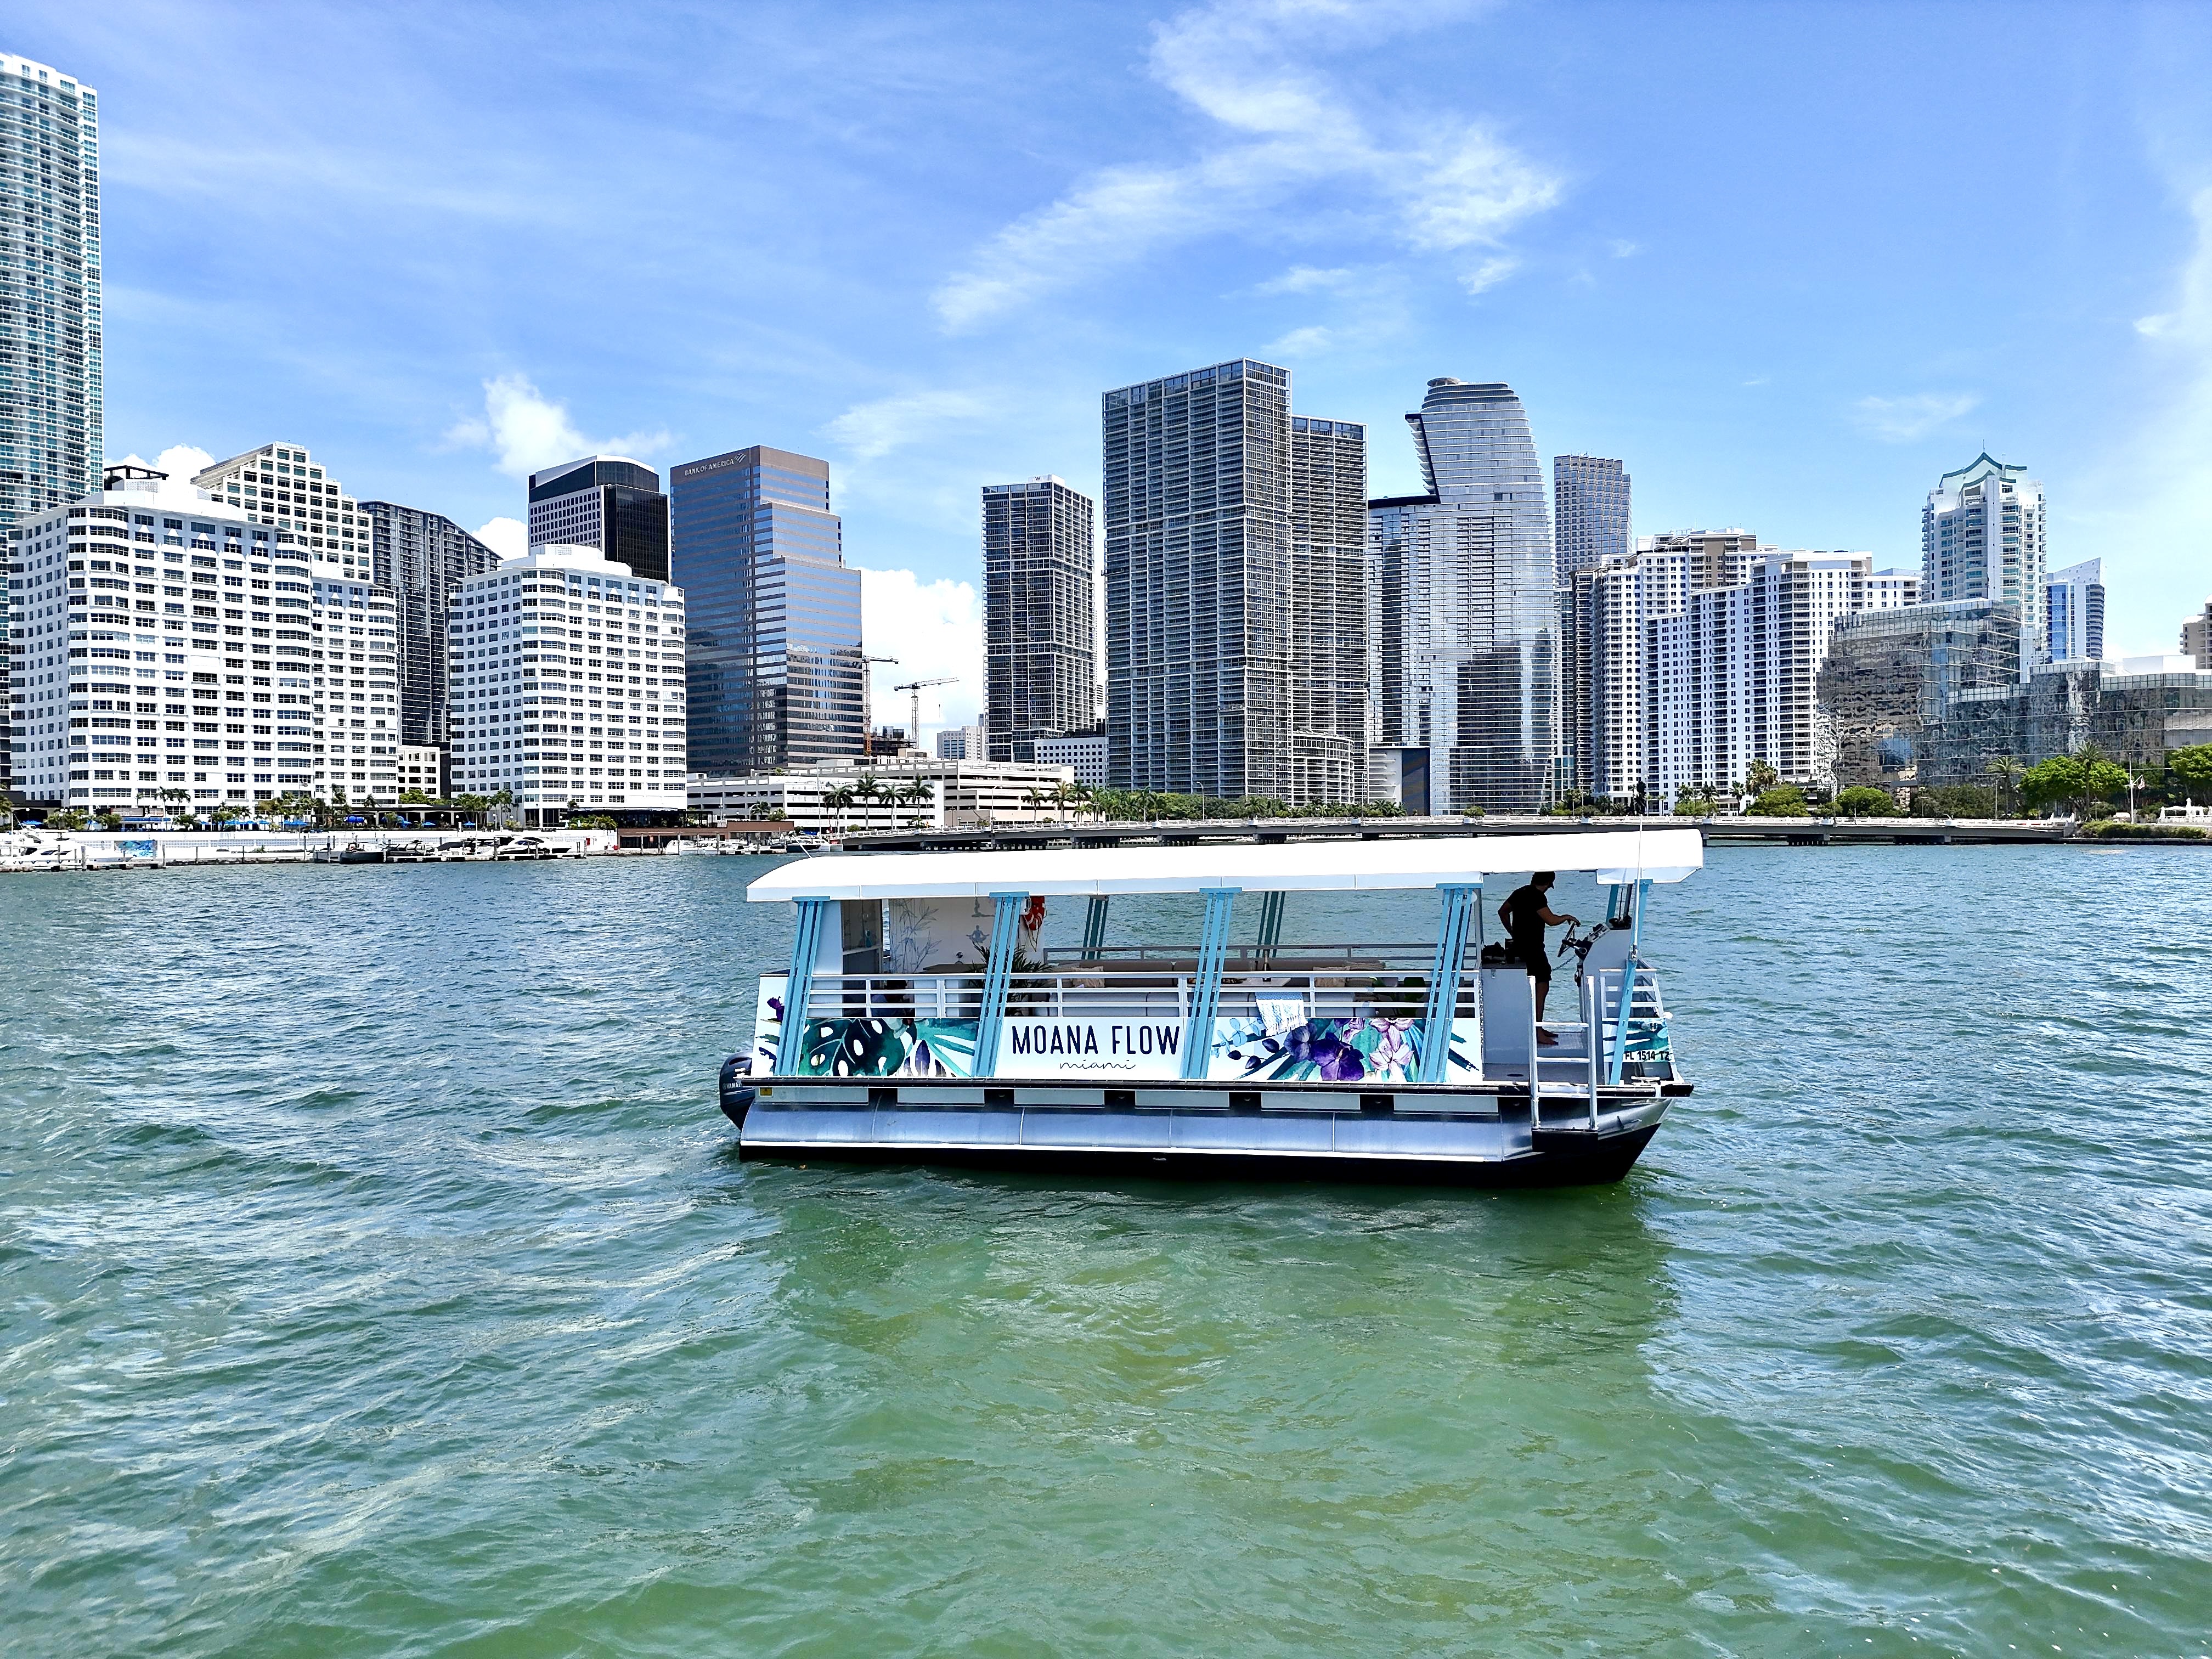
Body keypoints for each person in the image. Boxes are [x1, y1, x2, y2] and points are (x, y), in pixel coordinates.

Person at [1498, 871, 1577, 1045]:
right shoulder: (1537, 896)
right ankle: (1537, 1031)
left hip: (1520, 947)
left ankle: (1538, 1027)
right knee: (1542, 985)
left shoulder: (1520, 892)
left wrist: (1513, 932)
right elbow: (1551, 920)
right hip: (1533, 949)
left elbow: (1502, 912)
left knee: (1538, 985)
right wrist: (1567, 917)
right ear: (1548, 883)